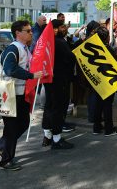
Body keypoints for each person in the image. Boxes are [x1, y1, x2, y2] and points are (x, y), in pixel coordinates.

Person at [0, 20, 43, 171]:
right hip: (10, 95)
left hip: (19, 95)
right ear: (18, 33)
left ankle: (2, 146)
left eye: (30, 30)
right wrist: (31, 75)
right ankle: (6, 161)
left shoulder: (24, 48)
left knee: (23, 123)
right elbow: (9, 70)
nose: (31, 33)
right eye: (27, 31)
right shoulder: (13, 48)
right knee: (12, 128)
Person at [41, 19, 75, 149]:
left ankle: (47, 135)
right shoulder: (59, 42)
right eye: (61, 27)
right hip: (59, 80)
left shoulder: (46, 42)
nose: (64, 28)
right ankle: (56, 138)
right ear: (54, 29)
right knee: (58, 108)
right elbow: (70, 59)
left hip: (49, 80)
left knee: (49, 107)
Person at [92, 26, 117, 136]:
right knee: (107, 106)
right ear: (107, 37)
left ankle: (96, 128)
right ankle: (109, 129)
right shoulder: (108, 49)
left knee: (97, 105)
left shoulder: (93, 48)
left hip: (97, 80)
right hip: (108, 81)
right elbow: (115, 63)